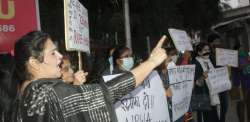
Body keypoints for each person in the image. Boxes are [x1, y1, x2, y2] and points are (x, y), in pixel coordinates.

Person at [10, 31, 167, 122]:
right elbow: (109, 91)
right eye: (52, 53)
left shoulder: (21, 96)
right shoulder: (50, 93)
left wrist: (74, 89)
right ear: (34, 63)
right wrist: (152, 62)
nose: (60, 57)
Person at [192, 42, 220, 122]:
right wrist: (203, 77)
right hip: (203, 98)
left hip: (212, 95)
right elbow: (197, 83)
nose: (207, 51)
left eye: (208, 50)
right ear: (199, 52)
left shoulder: (209, 61)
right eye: (205, 50)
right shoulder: (196, 64)